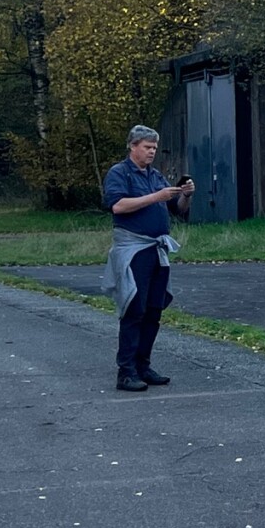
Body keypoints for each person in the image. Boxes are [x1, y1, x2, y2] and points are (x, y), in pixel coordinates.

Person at [100, 125, 195, 392]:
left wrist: (185, 195)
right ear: (133, 146)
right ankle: (126, 370)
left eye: (154, 147)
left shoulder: (156, 176)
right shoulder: (120, 173)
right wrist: (156, 196)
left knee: (154, 310)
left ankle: (143, 365)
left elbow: (177, 210)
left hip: (156, 249)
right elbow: (118, 206)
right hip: (134, 250)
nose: (152, 152)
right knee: (134, 309)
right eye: (147, 147)